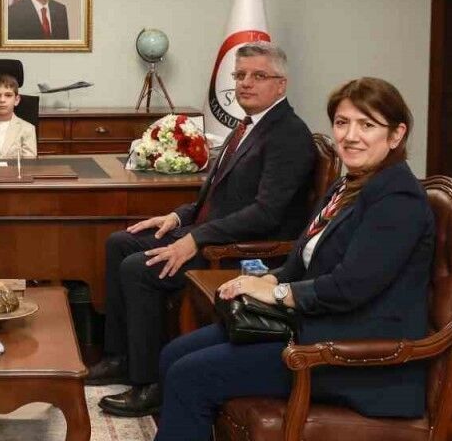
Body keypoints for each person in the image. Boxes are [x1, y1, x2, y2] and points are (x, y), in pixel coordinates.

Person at [153, 77, 436, 440]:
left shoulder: (398, 200)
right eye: (342, 122)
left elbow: (348, 288)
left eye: (367, 125)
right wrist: (267, 279)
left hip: (355, 357)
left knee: (189, 375)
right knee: (174, 354)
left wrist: (276, 293)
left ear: (396, 135)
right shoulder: (347, 186)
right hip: (314, 328)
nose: (350, 136)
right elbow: (303, 259)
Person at [92, 41, 316, 417]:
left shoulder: (288, 135)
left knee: (139, 268)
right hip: (212, 232)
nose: (245, 83)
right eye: (240, 75)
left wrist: (195, 239)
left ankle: (148, 384)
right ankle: (121, 358)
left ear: (281, 84)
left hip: (244, 252)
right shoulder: (246, 126)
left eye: (258, 75)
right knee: (120, 243)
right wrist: (178, 218)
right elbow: (216, 196)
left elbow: (265, 214)